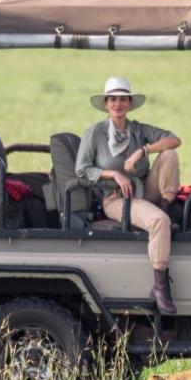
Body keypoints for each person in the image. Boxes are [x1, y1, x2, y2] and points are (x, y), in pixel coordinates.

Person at [75, 77, 182, 314]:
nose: (118, 104)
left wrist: (142, 151)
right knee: (159, 222)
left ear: (130, 103)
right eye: (113, 99)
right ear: (106, 104)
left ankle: (165, 206)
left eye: (123, 99)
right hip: (116, 198)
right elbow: (81, 170)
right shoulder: (95, 133)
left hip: (144, 190)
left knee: (169, 155)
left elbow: (174, 140)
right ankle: (160, 286)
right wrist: (113, 174)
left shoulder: (137, 129)